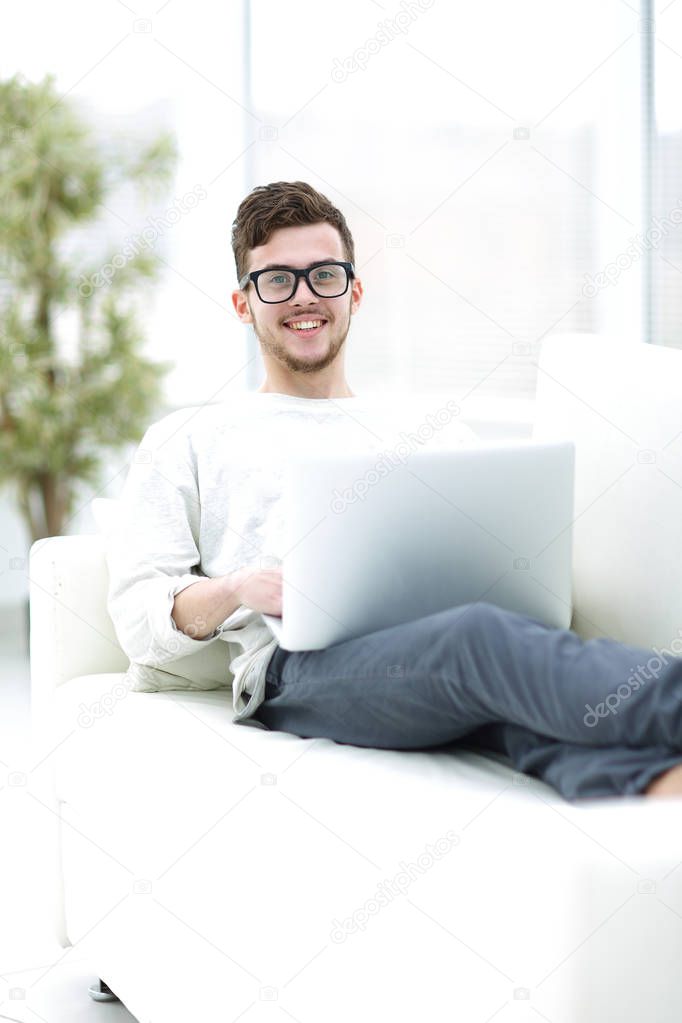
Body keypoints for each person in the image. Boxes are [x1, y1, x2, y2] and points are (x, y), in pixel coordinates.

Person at [108, 179, 682, 801]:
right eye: (277, 280)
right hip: (295, 670)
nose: (304, 297)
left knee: (507, 695)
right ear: (244, 303)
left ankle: (651, 787)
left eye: (323, 275)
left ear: (354, 291)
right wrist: (237, 587)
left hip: (430, 651)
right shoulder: (188, 438)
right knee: (478, 643)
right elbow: (139, 618)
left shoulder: (433, 430)